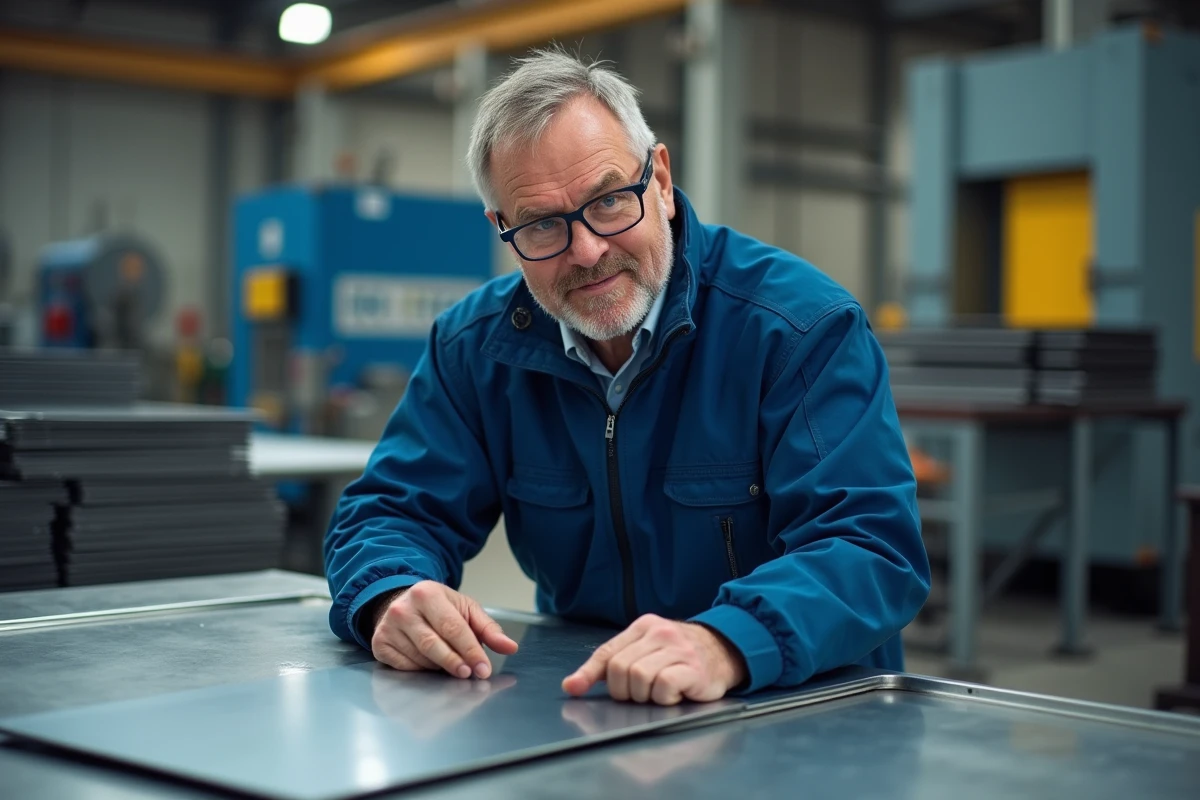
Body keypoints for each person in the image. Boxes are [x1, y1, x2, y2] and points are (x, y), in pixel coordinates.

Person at [324, 47, 930, 706]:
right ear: (503, 228)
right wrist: (391, 594)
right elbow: (390, 511)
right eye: (543, 225)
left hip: (804, 715)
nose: (587, 250)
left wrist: (729, 640)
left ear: (661, 181)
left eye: (609, 200)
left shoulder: (799, 329)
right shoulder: (477, 348)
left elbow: (870, 548)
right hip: (596, 714)